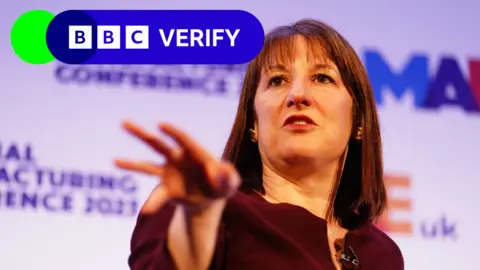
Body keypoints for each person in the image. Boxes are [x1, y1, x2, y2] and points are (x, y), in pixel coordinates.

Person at [115, 19, 404, 270]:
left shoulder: (382, 255)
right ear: (253, 123)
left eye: (322, 77)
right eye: (277, 80)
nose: (298, 94)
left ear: (359, 122)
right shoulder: (203, 202)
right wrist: (198, 214)